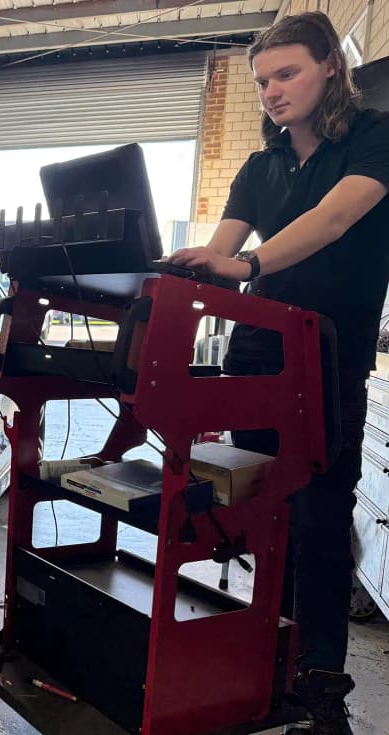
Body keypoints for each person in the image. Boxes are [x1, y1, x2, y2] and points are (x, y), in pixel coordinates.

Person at [170, 12, 389, 735]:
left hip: (327, 360)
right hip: (256, 357)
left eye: (286, 73)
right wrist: (178, 268)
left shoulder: (373, 137)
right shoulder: (259, 167)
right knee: (264, 517)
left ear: (330, 64)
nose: (271, 91)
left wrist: (250, 265)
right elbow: (221, 248)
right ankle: (268, 665)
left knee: (321, 521)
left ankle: (321, 688)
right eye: (263, 80)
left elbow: (331, 220)